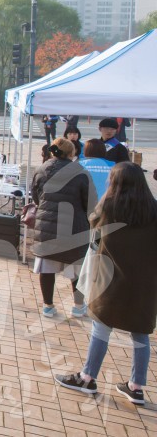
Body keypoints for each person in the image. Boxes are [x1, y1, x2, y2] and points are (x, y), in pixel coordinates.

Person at [55, 162, 157, 404]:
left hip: (110, 280)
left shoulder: (108, 207)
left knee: (101, 328)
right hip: (145, 284)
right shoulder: (154, 210)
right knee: (140, 333)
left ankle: (87, 378)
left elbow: (94, 229)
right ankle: (136, 387)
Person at [30, 137, 94, 319]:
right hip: (74, 226)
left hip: (46, 224)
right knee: (76, 268)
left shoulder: (41, 169)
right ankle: (78, 306)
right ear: (71, 152)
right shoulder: (80, 172)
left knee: (47, 266)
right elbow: (89, 201)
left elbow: (36, 196)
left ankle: (48, 306)